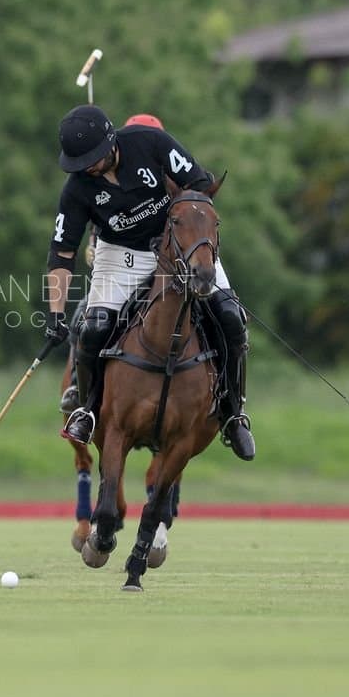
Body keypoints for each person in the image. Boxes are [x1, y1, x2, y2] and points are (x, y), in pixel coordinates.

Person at [41, 104, 255, 461]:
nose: (88, 168)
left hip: (181, 247)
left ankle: (233, 413)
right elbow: (62, 252)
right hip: (121, 255)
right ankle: (88, 411)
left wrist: (181, 233)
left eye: (93, 158)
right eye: (81, 164)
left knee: (231, 317)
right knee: (93, 328)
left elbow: (200, 183)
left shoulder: (150, 143)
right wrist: (56, 313)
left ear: (112, 142)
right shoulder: (78, 188)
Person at [58, 112, 165, 415]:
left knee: (224, 315)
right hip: (122, 264)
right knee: (84, 319)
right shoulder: (95, 184)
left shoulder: (165, 175)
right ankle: (80, 387)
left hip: (169, 263)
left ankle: (229, 401)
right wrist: (91, 249)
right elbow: (88, 235)